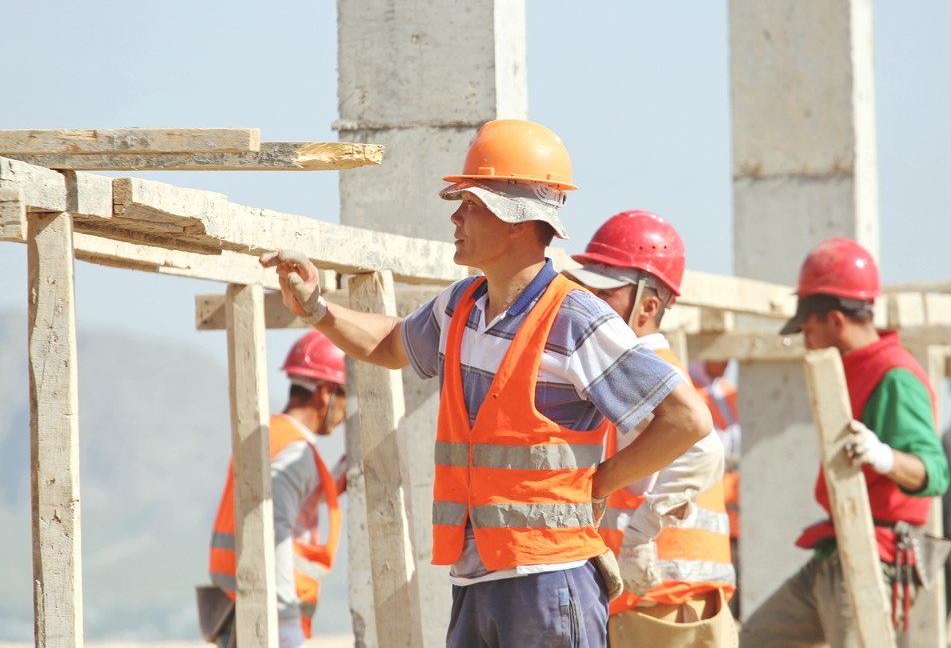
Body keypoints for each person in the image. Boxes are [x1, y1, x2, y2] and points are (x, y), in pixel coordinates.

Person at [259, 119, 714, 648]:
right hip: (475, 580)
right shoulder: (461, 306)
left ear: (516, 220)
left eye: (471, 203)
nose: (455, 216)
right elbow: (389, 344)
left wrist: (600, 483)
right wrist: (316, 309)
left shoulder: (576, 319)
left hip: (549, 579)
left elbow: (687, 419)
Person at [739, 237, 950, 648]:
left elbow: (936, 473)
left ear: (836, 320)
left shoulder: (894, 375)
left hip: (874, 557)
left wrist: (884, 457)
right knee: (755, 640)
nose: (805, 341)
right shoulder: (851, 368)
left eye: (808, 329)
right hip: (836, 550)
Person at [565, 209, 737, 647]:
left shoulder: (635, 368)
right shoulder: (660, 368)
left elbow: (704, 449)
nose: (590, 304)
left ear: (648, 306)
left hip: (659, 608)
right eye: (588, 289)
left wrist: (639, 535)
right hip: (678, 604)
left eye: (606, 293)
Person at [206, 330, 348, 648]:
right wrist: (285, 620)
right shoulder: (295, 453)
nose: (344, 414)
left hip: (237, 602)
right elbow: (275, 528)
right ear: (326, 392)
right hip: (264, 615)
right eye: (345, 395)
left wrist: (339, 476)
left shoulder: (271, 436)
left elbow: (290, 499)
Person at [688, 357, 742, 619]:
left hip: (736, 515)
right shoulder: (688, 390)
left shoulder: (728, 391)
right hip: (708, 513)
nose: (726, 361)